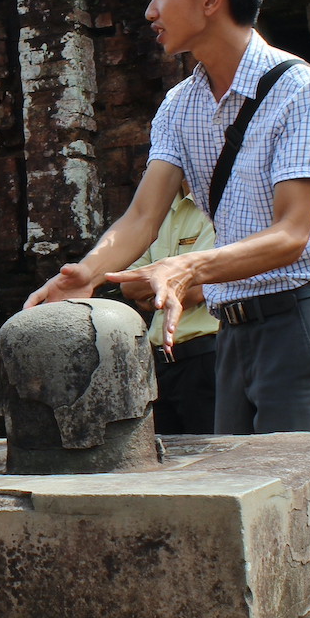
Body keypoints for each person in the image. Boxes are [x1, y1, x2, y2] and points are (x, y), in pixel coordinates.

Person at [25, 0, 310, 434]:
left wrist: (186, 269)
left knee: (295, 496)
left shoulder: (303, 89)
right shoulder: (179, 106)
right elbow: (142, 217)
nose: (150, 11)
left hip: (299, 318)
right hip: (233, 328)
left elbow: (292, 234)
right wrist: (85, 275)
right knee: (235, 494)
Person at [119, 184, 219, 434]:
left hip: (206, 354)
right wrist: (175, 288)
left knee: (208, 455)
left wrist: (153, 291)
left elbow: (204, 286)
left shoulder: (217, 205)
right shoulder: (159, 209)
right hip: (160, 361)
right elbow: (127, 285)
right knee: (166, 457)